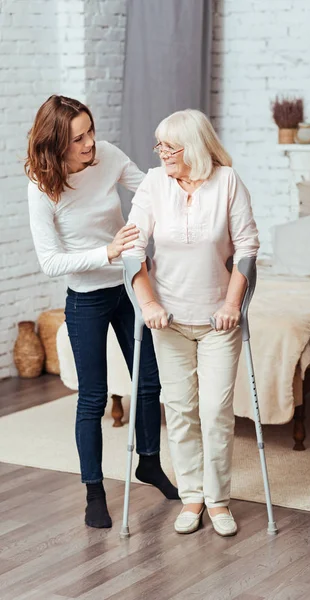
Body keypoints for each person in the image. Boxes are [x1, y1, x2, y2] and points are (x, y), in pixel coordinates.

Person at [25, 95, 178, 530]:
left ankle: (148, 462)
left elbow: (148, 187)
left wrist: (187, 171)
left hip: (129, 287)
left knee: (149, 381)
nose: (91, 143)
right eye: (78, 138)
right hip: (87, 298)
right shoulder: (42, 186)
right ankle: (94, 490)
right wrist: (106, 250)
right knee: (92, 398)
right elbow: (50, 262)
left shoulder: (107, 155)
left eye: (91, 131)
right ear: (56, 145)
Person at [123, 109, 259, 536]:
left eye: (170, 146)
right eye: (159, 145)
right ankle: (192, 497)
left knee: (216, 410)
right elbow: (132, 247)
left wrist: (232, 304)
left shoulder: (227, 182)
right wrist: (147, 304)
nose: (161, 153)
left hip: (219, 321)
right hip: (169, 322)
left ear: (195, 148)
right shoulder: (153, 184)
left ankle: (219, 501)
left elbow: (248, 247)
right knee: (180, 409)